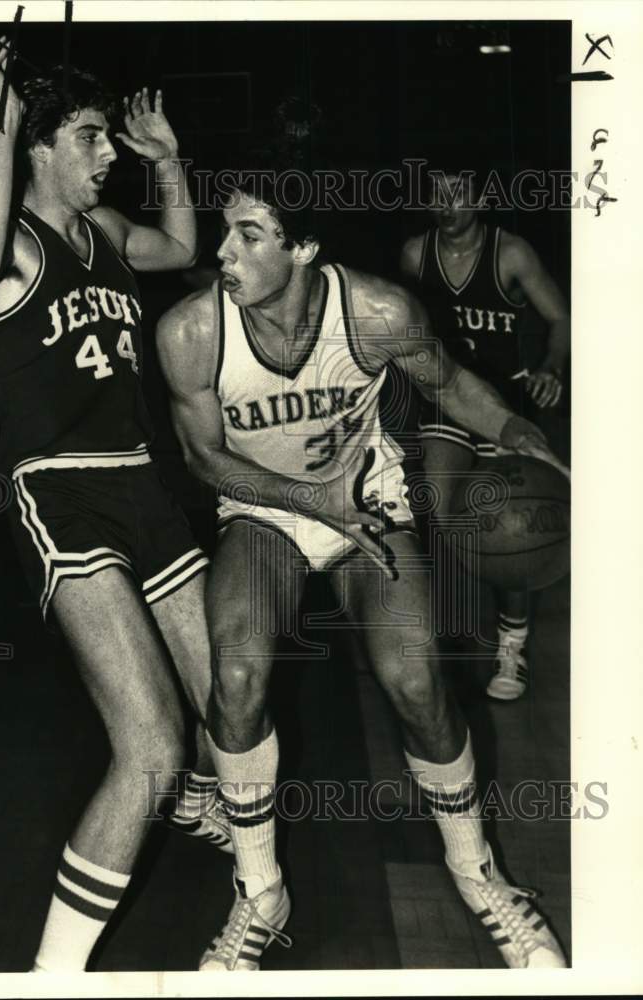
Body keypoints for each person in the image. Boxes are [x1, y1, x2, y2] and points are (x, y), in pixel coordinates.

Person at [157, 168, 568, 971]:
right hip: (264, 509)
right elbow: (205, 459)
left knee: (417, 683)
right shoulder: (192, 332)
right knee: (235, 680)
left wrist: (516, 429)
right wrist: (310, 501)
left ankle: (478, 874)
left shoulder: (377, 313)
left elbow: (450, 385)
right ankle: (260, 892)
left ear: (304, 247)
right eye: (225, 230)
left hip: (365, 504)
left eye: (250, 234)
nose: (223, 251)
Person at [0, 39, 217, 972]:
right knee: (150, 745)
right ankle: (50, 977)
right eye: (89, 136)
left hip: (142, 483)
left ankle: (202, 801)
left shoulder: (103, 229)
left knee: (229, 696)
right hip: (61, 493)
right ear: (38, 145)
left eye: (109, 137)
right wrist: (3, 110)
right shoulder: (14, 244)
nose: (107, 152)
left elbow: (185, 248)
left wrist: (168, 161)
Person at [400, 171, 570, 699]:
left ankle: (511, 648)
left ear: (480, 198)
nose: (447, 205)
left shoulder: (511, 253)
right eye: (437, 195)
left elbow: (561, 317)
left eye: (459, 194)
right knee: (441, 514)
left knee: (513, 524)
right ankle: (439, 645)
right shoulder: (414, 255)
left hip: (506, 401)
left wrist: (551, 367)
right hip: (446, 403)